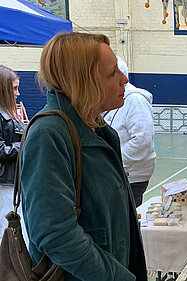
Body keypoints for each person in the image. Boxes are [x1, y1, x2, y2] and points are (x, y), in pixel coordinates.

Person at [20, 32, 147, 281]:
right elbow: (56, 235)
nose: (123, 79)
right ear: (83, 82)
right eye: (112, 74)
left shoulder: (97, 129)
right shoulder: (49, 135)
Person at [103, 56, 156, 207]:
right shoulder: (113, 99)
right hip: (117, 174)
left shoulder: (135, 101)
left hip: (132, 177)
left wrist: (113, 161)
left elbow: (142, 142)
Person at [0, 65, 25, 241]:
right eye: (14, 88)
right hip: (5, 181)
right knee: (6, 228)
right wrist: (24, 144)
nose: (17, 93)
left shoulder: (8, 113)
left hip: (12, 180)